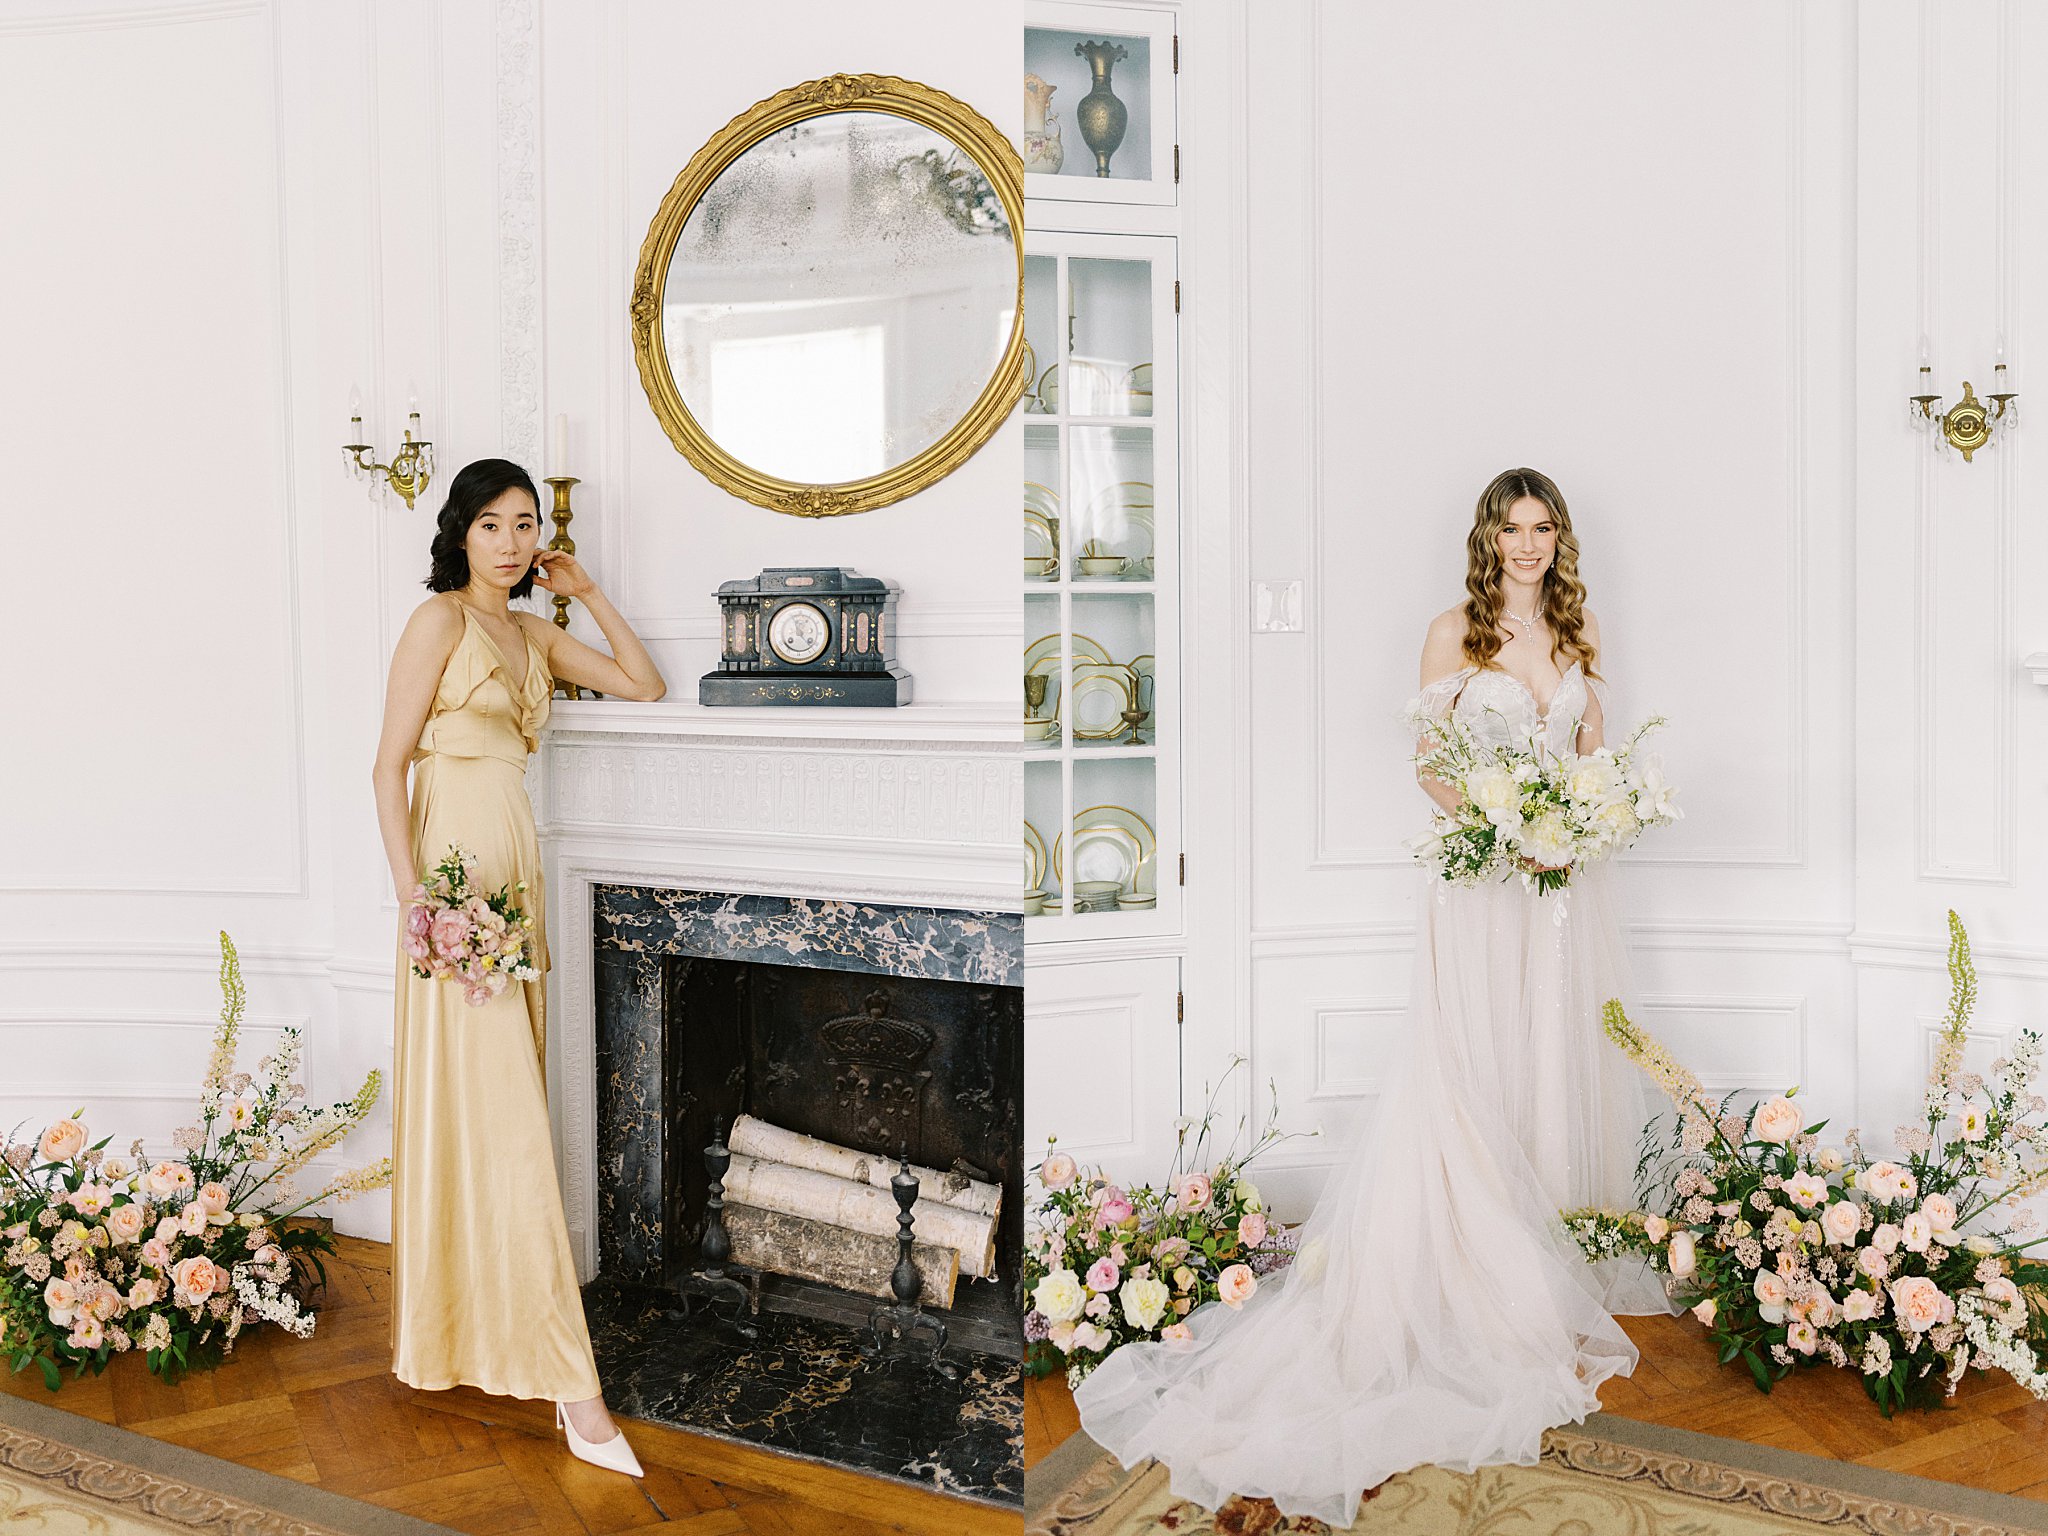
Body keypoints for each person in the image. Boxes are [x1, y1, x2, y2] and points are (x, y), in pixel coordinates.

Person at [1072, 467, 1675, 1526]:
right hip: (1480, 883)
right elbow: (1430, 768)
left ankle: (1541, 1269)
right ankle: (1465, 1271)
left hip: (1559, 893)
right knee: (1472, 1057)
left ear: (1556, 540)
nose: (1526, 546)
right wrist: (1500, 829)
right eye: (1510, 528)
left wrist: (1583, 821)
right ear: (1486, 539)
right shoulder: (1454, 632)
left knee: (1547, 1052)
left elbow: (1594, 762)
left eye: (1542, 529)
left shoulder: (1579, 636)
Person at [371, 457, 667, 1477]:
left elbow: (643, 682)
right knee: (494, 1116)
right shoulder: (436, 624)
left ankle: (492, 1339)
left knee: (505, 1116)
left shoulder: (534, 629)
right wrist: (418, 904)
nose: (509, 540)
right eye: (491, 522)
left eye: (525, 524)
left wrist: (588, 594)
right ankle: (573, 1393)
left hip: (515, 875)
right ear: (461, 533)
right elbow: (386, 765)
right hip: (456, 891)